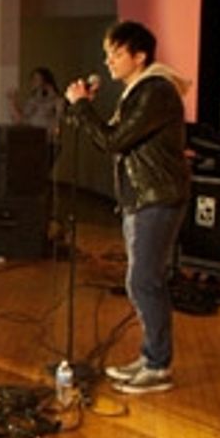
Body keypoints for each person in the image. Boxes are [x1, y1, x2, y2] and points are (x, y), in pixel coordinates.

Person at [65, 20, 189, 395]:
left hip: (156, 197)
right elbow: (112, 136)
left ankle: (157, 366)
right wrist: (83, 106)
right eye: (107, 54)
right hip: (144, 197)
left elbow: (113, 141)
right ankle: (151, 357)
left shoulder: (155, 90)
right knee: (143, 281)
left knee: (143, 281)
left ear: (140, 55)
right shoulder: (138, 91)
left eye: (116, 53)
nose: (108, 61)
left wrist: (83, 106)